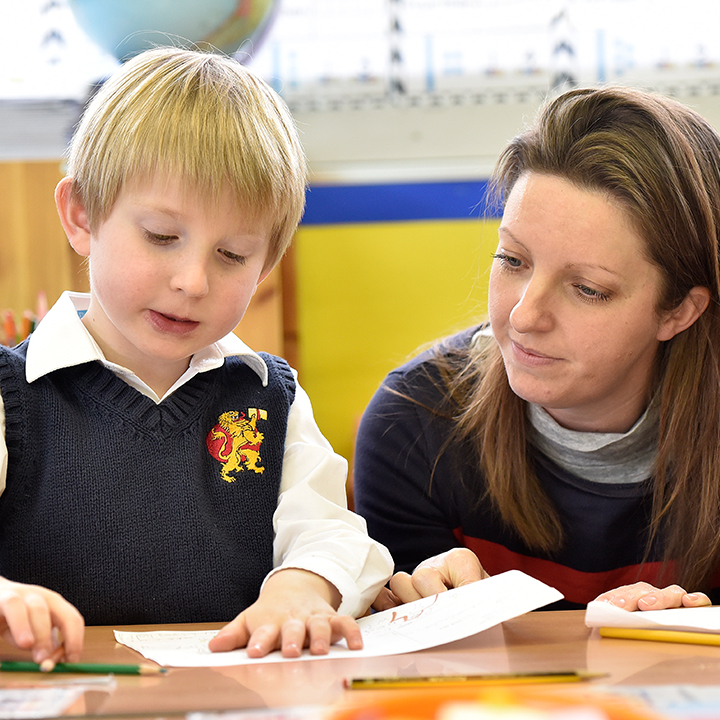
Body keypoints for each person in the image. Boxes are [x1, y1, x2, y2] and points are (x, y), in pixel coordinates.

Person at [0, 47, 393, 668]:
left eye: (232, 255)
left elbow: (329, 532)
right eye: (161, 237)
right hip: (58, 691)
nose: (193, 281)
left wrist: (300, 589)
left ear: (266, 264)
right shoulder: (12, 396)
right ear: (81, 217)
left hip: (233, 691)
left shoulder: (268, 399)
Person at [354, 85, 720, 614]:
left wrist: (692, 633)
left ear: (679, 311)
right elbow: (408, 651)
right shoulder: (413, 423)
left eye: (587, 289)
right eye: (512, 260)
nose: (525, 316)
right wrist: (434, 611)